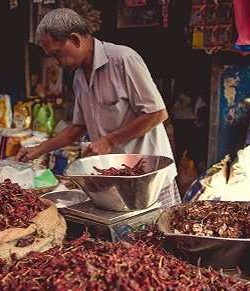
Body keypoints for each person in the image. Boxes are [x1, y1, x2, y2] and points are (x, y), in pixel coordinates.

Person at [18, 8, 180, 207]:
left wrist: (109, 141)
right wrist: (39, 149)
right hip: (114, 178)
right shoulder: (78, 77)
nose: (57, 63)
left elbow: (157, 113)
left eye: (57, 54)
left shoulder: (123, 59)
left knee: (157, 235)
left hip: (149, 180)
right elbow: (78, 127)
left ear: (75, 39)